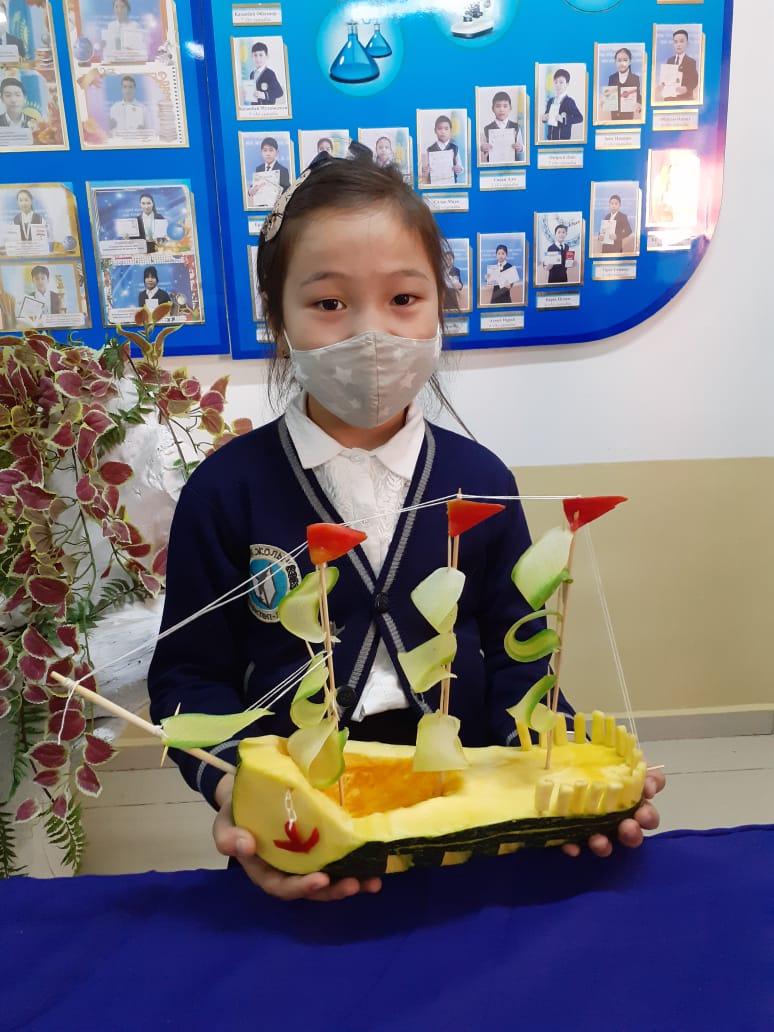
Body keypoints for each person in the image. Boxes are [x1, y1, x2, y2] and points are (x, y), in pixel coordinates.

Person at [148, 150, 665, 900]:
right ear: (279, 321)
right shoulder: (225, 491)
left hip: (472, 822)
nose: (372, 333)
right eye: (329, 303)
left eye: (403, 298)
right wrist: (240, 792)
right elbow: (189, 677)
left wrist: (562, 768)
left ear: (439, 308)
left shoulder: (482, 479)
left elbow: (520, 656)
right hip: (301, 829)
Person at [480, 90, 525, 163]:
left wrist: (521, 148)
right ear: (492, 109)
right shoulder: (486, 129)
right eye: (498, 106)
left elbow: (522, 147)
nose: (501, 109)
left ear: (510, 108)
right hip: (493, 165)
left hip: (512, 165)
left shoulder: (516, 127)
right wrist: (482, 148)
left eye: (505, 106)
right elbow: (482, 148)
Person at [541, 68, 583, 142]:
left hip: (563, 141)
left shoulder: (569, 101)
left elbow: (580, 118)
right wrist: (544, 118)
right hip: (549, 140)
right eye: (555, 82)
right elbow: (546, 115)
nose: (558, 85)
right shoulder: (550, 101)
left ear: (567, 84)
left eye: (561, 82)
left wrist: (563, 119)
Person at [423, 114, 464, 184]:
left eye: (446, 129)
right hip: (435, 185)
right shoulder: (430, 149)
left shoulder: (454, 148)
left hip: (451, 184)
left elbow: (460, 167)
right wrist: (425, 170)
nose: (443, 131)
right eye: (439, 128)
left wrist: (458, 169)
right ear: (435, 131)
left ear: (450, 131)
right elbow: (424, 169)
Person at [248, 136, 291, 201]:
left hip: (276, 205)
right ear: (261, 152)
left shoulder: (283, 170)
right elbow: (255, 185)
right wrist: (250, 191)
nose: (268, 153)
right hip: (261, 204)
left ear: (277, 152)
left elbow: (287, 191)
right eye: (265, 150)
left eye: (271, 150)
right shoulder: (259, 169)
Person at [606, 48, 642, 121]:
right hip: (615, 115)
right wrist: (605, 101)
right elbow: (609, 98)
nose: (622, 63)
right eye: (619, 60)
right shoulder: (612, 78)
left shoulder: (635, 78)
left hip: (628, 116)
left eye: (625, 60)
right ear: (615, 62)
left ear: (630, 62)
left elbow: (638, 96)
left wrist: (639, 104)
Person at [248, 40, 284, 106]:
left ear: (267, 56)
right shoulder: (252, 74)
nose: (258, 58)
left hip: (267, 108)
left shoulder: (270, 74)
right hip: (255, 108)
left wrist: (263, 95)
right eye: (255, 55)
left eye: (261, 55)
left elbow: (279, 92)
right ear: (252, 57)